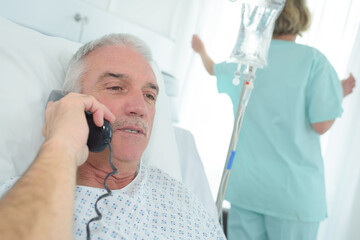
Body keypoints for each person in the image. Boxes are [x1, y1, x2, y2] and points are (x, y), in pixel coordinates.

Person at [0, 33, 226, 240]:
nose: (140, 107)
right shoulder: (19, 200)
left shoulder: (181, 196)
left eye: (149, 95)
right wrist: (62, 142)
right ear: (71, 103)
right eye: (116, 87)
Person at [191, 0, 356, 239]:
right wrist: (335, 95)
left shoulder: (247, 61)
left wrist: (201, 50)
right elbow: (321, 124)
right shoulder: (314, 61)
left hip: (247, 189)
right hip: (292, 198)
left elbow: (213, 69)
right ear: (300, 17)